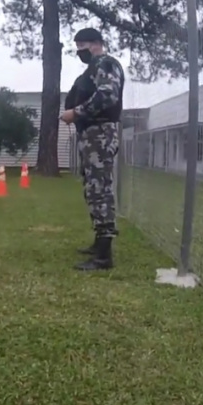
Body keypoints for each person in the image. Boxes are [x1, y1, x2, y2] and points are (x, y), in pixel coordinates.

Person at [60, 27, 126, 271]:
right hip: (90, 134)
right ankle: (99, 243)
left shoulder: (106, 64)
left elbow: (107, 96)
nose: (80, 51)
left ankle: (104, 255)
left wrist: (75, 112)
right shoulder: (92, 68)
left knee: (100, 189)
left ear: (96, 43)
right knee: (92, 188)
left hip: (100, 132)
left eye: (83, 46)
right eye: (77, 48)